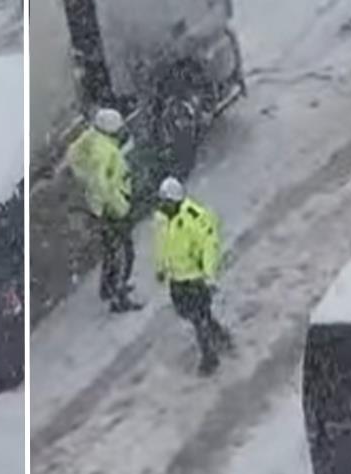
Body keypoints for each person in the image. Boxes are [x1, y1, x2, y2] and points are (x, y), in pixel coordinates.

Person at [153, 177, 232, 375]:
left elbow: (209, 245)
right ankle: (218, 333)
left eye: (165, 202)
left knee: (197, 317)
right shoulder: (161, 219)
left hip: (194, 277)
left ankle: (209, 356)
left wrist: (208, 274)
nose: (162, 205)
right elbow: (161, 245)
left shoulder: (195, 218)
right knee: (192, 314)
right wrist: (161, 268)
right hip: (176, 278)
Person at [67, 108, 142, 313]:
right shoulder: (106, 153)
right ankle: (119, 296)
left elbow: (73, 155)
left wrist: (84, 179)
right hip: (112, 209)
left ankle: (108, 288)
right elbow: (102, 184)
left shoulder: (91, 138)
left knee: (111, 250)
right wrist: (118, 207)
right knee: (125, 253)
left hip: (99, 206)